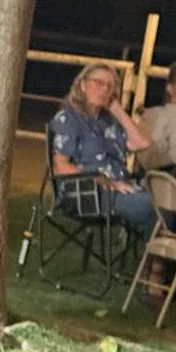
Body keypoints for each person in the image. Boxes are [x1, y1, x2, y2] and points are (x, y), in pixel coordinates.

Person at [50, 62, 156, 234]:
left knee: (169, 204)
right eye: (98, 83)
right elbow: (60, 167)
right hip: (87, 192)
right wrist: (106, 182)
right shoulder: (69, 118)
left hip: (121, 188)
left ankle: (161, 250)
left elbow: (142, 143)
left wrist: (118, 110)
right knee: (153, 208)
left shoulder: (108, 120)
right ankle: (158, 252)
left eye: (110, 86)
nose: (105, 89)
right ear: (83, 85)